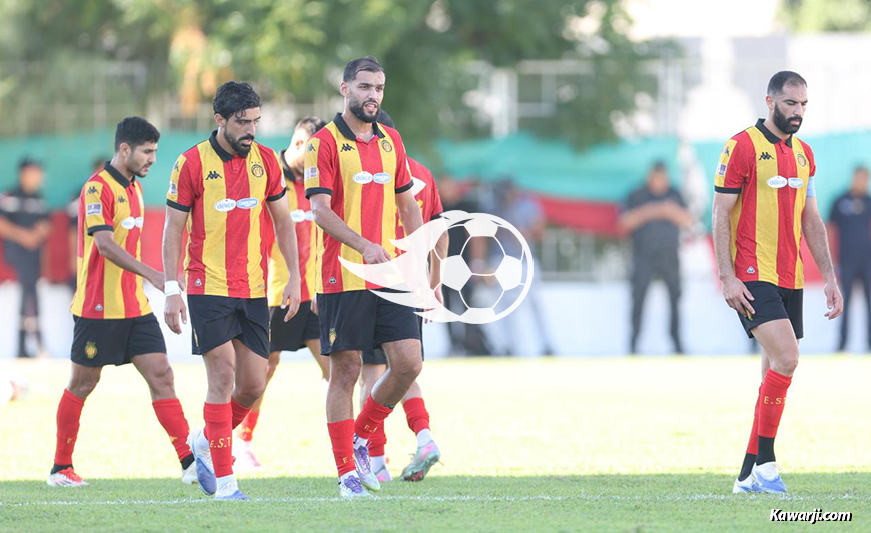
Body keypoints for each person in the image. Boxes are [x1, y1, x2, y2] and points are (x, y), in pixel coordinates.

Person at [162, 81, 301, 501]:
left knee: (253, 385)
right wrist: (172, 288)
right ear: (219, 120)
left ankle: (206, 437)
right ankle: (225, 483)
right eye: (243, 122)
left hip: (254, 288)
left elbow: (283, 221)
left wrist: (294, 275)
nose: (251, 131)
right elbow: (173, 229)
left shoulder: (266, 162)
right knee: (221, 375)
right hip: (207, 286)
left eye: (256, 122)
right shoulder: (190, 163)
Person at [712, 71, 842, 494]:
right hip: (752, 276)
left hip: (791, 277)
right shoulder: (741, 146)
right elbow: (718, 213)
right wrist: (727, 276)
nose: (798, 113)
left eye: (804, 105)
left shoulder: (805, 154)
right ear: (770, 102)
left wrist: (830, 278)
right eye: (790, 104)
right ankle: (766, 466)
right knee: (788, 358)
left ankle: (747, 475)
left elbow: (811, 219)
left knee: (772, 372)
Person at [48, 117, 196, 488]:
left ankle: (191, 463)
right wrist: (154, 274)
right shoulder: (97, 188)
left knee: (162, 374)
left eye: (155, 152)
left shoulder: (135, 189)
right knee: (82, 384)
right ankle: (60, 468)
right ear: (124, 149)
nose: (152, 160)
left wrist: (148, 283)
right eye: (147, 152)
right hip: (97, 308)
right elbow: (105, 246)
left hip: (134, 307)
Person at [305, 56, 424, 498]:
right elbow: (320, 211)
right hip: (344, 274)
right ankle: (346, 474)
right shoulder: (324, 143)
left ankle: (359, 436)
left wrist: (419, 260)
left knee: (409, 364)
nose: (372, 95)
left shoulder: (392, 141)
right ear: (345, 89)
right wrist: (364, 245)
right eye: (364, 87)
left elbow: (408, 205)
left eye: (379, 88)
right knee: (347, 370)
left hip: (390, 274)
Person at [233, 116, 328, 470]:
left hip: (313, 294)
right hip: (272, 290)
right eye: (316, 153)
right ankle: (238, 442)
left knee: (339, 368)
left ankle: (356, 444)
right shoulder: (267, 172)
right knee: (262, 371)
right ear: (300, 144)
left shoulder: (317, 182)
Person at [358, 110, 446, 483]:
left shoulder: (367, 173)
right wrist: (434, 282)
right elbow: (441, 231)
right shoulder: (422, 173)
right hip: (411, 285)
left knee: (371, 374)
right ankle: (423, 436)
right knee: (407, 368)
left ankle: (376, 461)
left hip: (372, 284)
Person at [619, 161, 693, 355]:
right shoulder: (637, 195)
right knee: (638, 299)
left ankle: (676, 343)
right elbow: (625, 222)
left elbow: (688, 220)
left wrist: (671, 211)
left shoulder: (675, 194)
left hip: (669, 254)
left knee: (675, 299)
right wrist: (656, 210)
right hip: (643, 255)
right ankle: (634, 344)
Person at [0, 159, 52, 358]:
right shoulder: (9, 196)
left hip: (34, 258)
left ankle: (32, 345)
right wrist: (24, 236)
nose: (37, 177)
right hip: (14, 259)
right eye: (33, 172)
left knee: (32, 297)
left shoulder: (39, 199)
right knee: (26, 297)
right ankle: (25, 346)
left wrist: (37, 235)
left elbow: (47, 225)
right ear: (23, 173)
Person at [828, 166, 871, 352]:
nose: (862, 182)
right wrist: (832, 260)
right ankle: (842, 344)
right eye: (859, 178)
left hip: (867, 261)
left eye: (865, 178)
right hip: (846, 261)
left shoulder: (869, 201)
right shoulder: (840, 201)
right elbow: (829, 230)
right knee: (845, 302)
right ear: (853, 178)